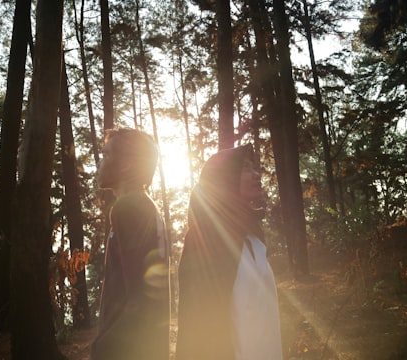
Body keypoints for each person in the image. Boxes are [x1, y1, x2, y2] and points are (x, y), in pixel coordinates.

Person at [176, 144, 283, 360]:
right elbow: (197, 320)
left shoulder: (254, 235)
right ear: (223, 179)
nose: (256, 175)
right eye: (245, 168)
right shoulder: (204, 238)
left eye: (255, 168)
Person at [90, 128, 171, 360]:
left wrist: (103, 349)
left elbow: (140, 299)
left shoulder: (129, 208)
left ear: (126, 165)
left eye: (106, 155)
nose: (100, 162)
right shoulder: (145, 207)